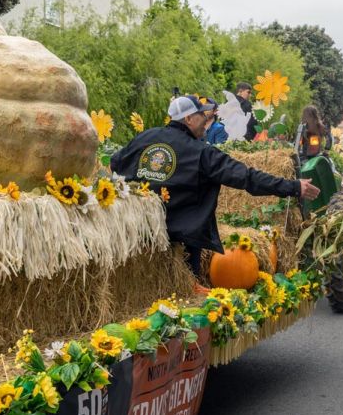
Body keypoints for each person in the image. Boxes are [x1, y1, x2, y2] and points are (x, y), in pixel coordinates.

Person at [110, 95, 320, 292]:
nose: (207, 119)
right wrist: (293, 187)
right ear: (189, 118)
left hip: (141, 236)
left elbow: (115, 162)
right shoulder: (202, 153)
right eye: (203, 115)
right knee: (184, 304)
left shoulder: (146, 138)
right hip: (182, 244)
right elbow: (246, 178)